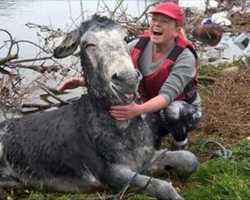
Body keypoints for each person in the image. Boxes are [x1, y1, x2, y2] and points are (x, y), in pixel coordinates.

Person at [57, 2, 202, 151]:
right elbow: (116, 72)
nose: (157, 24)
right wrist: (83, 82)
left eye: (164, 21)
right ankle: (157, 132)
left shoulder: (185, 57)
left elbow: (167, 96)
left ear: (176, 31)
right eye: (154, 19)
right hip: (149, 106)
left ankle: (180, 142)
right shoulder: (137, 45)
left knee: (173, 112)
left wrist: (137, 110)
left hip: (181, 108)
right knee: (139, 143)